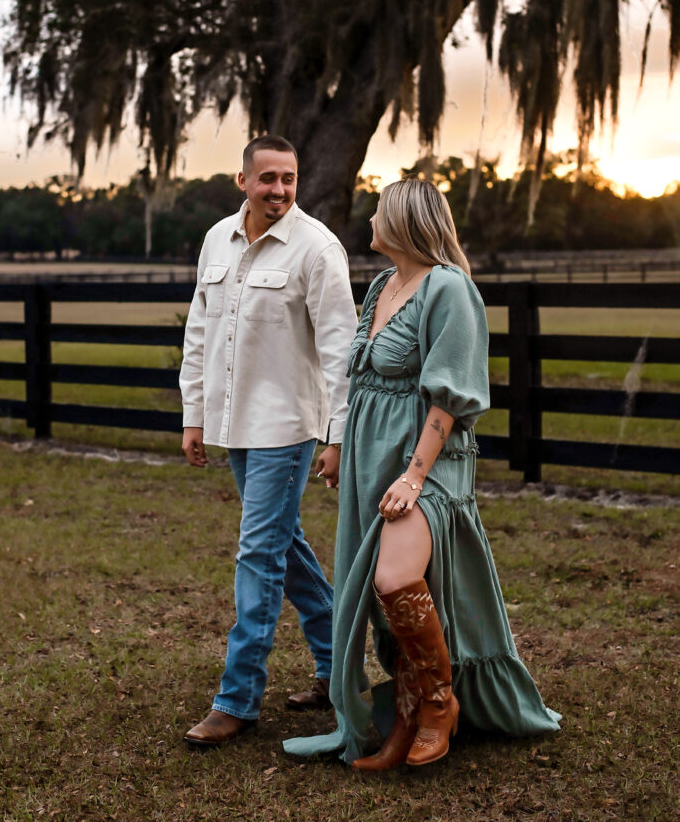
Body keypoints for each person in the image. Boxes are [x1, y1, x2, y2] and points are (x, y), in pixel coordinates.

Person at [284, 178, 560, 768]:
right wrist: (341, 448)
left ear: (406, 220)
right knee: (385, 593)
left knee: (394, 578)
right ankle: (404, 719)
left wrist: (412, 477)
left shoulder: (449, 289)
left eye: (379, 211)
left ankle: (440, 704)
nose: (370, 221)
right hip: (370, 456)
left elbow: (451, 398)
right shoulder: (383, 284)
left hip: (427, 462)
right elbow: (361, 380)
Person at [179, 134, 357, 748]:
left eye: (288, 178)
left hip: (288, 427)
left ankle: (237, 700)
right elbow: (200, 332)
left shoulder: (317, 247)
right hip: (235, 426)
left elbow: (341, 348)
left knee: (257, 555)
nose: (278, 190)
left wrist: (336, 434)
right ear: (243, 181)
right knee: (287, 550)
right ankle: (341, 670)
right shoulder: (216, 240)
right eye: (268, 178)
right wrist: (194, 415)